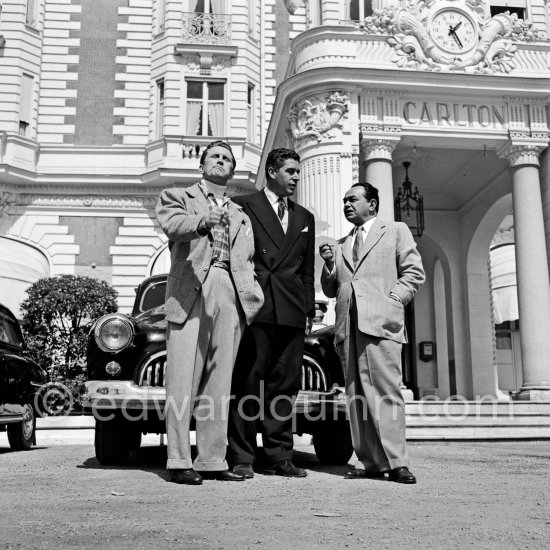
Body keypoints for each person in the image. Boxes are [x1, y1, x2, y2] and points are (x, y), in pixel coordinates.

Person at [156, 140, 264, 485]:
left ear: (232, 170)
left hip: (229, 290)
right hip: (191, 289)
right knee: (183, 379)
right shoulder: (178, 196)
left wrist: (251, 294)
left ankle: (212, 460)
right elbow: (173, 227)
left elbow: (247, 260)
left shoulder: (241, 213)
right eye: (215, 156)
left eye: (227, 158)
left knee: (220, 381)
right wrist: (204, 220)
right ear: (202, 165)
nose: (221, 161)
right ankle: (177, 460)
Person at [320, 182, 425, 484]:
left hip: (381, 323)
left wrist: (393, 300)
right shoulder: (340, 245)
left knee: (386, 392)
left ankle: (397, 461)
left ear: (373, 204)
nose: (347, 205)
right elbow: (331, 289)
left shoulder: (395, 231)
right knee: (357, 397)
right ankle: (372, 462)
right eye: (344, 201)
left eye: (353, 199)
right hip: (347, 329)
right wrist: (329, 264)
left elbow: (414, 272)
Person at [227, 148, 315, 479]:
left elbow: (306, 271)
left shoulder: (304, 217)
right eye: (290, 171)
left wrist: (308, 309)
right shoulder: (244, 205)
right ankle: (243, 456)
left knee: (284, 386)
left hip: (291, 311)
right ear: (272, 172)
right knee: (249, 382)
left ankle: (280, 455)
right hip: (256, 308)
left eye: (298, 172)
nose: (296, 177)